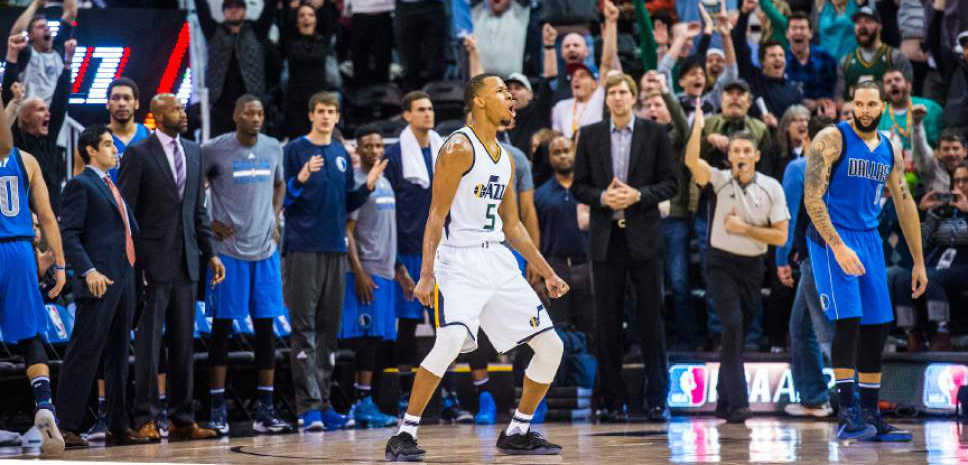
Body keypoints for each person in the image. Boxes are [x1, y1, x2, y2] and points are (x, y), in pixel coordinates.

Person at [384, 73, 569, 460]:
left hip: (497, 258)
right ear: (479, 101)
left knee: (551, 346)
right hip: (460, 261)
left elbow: (513, 224)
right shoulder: (458, 147)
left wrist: (546, 270)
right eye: (501, 91)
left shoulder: (506, 157)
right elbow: (435, 215)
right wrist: (427, 273)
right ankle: (404, 434)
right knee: (450, 341)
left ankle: (518, 430)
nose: (510, 97)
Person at [803, 80, 926, 441]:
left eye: (872, 105)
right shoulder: (831, 138)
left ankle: (872, 416)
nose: (865, 111)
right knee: (849, 320)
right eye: (859, 104)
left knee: (877, 325)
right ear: (851, 106)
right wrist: (838, 246)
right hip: (831, 237)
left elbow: (903, 202)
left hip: (868, 238)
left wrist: (918, 261)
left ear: (883, 106)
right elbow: (813, 199)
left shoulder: (890, 146)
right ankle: (847, 414)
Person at [118, 93, 226, 442]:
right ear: (156, 114)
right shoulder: (138, 153)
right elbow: (127, 213)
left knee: (184, 342)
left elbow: (198, 211)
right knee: (149, 346)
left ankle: (183, 418)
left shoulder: (194, 151)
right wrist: (136, 263)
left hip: (186, 260)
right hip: (151, 263)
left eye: (182, 108)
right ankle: (145, 417)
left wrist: (210, 253)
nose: (183, 113)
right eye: (176, 109)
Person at [571, 73, 678, 422]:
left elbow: (671, 184)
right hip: (606, 239)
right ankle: (608, 399)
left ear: (634, 97)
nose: (617, 98)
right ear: (607, 100)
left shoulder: (655, 132)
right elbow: (578, 187)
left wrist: (639, 195)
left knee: (651, 321)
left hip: (644, 238)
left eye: (623, 92)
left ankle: (658, 398)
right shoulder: (590, 135)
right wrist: (601, 197)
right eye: (612, 93)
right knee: (606, 322)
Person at [283, 91, 387, 431]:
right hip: (302, 249)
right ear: (311, 115)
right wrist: (298, 179)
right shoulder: (294, 150)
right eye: (321, 111)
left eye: (331, 111)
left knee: (329, 331)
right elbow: (284, 199)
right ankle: (307, 407)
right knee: (304, 329)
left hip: (334, 249)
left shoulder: (342, 154)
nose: (326, 116)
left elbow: (345, 204)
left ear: (338, 117)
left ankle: (325, 404)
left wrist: (368, 187)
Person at [684, 103, 789, 424]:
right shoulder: (719, 180)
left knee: (737, 334)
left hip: (753, 266)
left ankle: (721, 398)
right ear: (729, 156)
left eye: (747, 150)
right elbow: (690, 161)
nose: (741, 155)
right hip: (720, 264)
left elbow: (781, 237)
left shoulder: (772, 186)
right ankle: (740, 405)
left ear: (756, 156)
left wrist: (745, 229)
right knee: (730, 325)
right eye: (736, 150)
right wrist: (698, 128)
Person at [201, 95, 291, 436]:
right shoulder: (214, 149)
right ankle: (217, 409)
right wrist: (208, 221)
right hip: (228, 252)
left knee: (266, 329)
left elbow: (280, 184)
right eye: (249, 112)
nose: (256, 118)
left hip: (265, 250)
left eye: (260, 112)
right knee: (222, 329)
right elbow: (195, 188)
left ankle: (265, 409)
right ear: (236, 116)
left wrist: (275, 216)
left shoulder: (272, 148)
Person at [55, 125, 150, 448]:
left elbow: (126, 233)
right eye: (108, 145)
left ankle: (119, 425)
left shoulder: (112, 186)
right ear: (90, 150)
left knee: (119, 355)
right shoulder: (80, 185)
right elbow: (69, 234)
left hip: (124, 280)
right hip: (98, 281)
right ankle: (66, 425)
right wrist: (88, 271)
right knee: (84, 353)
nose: (115, 150)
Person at [0, 93, 66, 457]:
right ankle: (44, 405)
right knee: (30, 336)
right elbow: (48, 217)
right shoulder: (26, 161)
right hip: (21, 251)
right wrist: (59, 265)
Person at [341, 124, 405, 429]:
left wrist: (400, 271)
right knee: (364, 340)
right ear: (358, 149)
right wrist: (359, 272)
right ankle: (361, 404)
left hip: (386, 273)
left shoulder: (386, 183)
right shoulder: (356, 182)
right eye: (369, 146)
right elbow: (348, 233)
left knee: (378, 340)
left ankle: (368, 402)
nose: (376, 151)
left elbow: (388, 232)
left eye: (380, 145)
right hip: (366, 272)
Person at [3, 34, 74, 214]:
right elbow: (9, 95)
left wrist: (68, 63)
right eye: (40, 109)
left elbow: (60, 102)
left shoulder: (50, 139)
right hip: (27, 221)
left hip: (53, 217)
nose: (48, 113)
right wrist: (12, 56)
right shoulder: (17, 140)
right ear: (25, 116)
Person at [533, 134, 595, 335]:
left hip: (587, 266)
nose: (563, 156)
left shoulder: (590, 190)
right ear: (549, 157)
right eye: (557, 152)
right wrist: (540, 277)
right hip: (555, 268)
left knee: (592, 330)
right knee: (557, 332)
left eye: (567, 151)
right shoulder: (540, 195)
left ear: (575, 153)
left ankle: (593, 366)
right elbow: (535, 237)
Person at [196, 0, 276, 136]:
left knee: (252, 144)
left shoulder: (257, 31)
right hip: (221, 102)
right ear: (223, 12)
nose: (233, 10)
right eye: (229, 7)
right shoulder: (213, 30)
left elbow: (270, 10)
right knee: (222, 146)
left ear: (245, 10)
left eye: (238, 7)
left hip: (251, 98)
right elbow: (202, 9)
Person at [551, 0, 620, 140]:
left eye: (583, 76)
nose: (576, 79)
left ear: (595, 84)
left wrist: (611, 22)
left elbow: (607, 63)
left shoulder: (599, 98)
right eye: (574, 76)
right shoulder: (560, 107)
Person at [733, 0, 802, 124]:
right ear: (762, 61)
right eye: (772, 55)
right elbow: (739, 45)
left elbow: (798, 125)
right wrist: (744, 13)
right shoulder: (753, 79)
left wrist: (777, 122)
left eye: (781, 55)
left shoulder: (794, 93)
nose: (777, 59)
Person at [281, 1, 338, 140]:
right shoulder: (289, 40)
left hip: (319, 100)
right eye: (302, 15)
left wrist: (323, 3)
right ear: (296, 21)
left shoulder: (324, 39)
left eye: (311, 15)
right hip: (295, 101)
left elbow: (329, 16)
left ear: (316, 20)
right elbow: (283, 19)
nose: (306, 18)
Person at [835, 5, 913, 100]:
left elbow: (908, 93)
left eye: (868, 21)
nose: (862, 26)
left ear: (879, 27)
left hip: (888, 113)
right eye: (858, 22)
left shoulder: (895, 57)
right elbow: (838, 99)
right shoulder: (845, 61)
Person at [6, 0, 76, 105]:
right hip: (29, 114)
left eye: (47, 26)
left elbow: (71, 12)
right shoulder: (26, 53)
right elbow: (15, 35)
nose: (46, 29)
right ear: (30, 35)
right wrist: (36, 3)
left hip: (55, 114)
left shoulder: (59, 50)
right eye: (40, 27)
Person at [877, 67, 944, 150]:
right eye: (888, 82)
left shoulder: (931, 108)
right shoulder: (879, 115)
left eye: (897, 79)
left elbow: (941, 146)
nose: (893, 83)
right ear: (883, 90)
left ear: (908, 85)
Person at [784, 12, 838, 109]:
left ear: (810, 33)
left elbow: (833, 90)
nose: (798, 32)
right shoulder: (781, 60)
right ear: (787, 34)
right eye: (794, 28)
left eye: (802, 28)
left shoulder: (826, 58)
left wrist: (817, 103)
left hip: (821, 114)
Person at [395, 0, 447, 91]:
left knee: (435, 63)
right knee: (409, 64)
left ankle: (439, 100)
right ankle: (411, 100)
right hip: (404, 6)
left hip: (433, 6)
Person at [347, 0, 394, 86]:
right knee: (359, 55)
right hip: (359, 12)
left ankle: (383, 87)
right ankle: (361, 87)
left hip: (385, 11)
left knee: (383, 54)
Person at [912, 129, 967, 195]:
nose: (951, 153)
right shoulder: (931, 170)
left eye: (955, 148)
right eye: (946, 149)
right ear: (937, 152)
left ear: (965, 151)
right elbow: (920, 149)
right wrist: (916, 124)